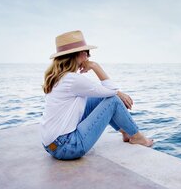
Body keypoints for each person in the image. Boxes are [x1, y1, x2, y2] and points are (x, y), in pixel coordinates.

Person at [40, 30, 154, 160]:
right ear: (80, 54)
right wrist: (95, 66)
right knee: (113, 100)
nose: (88, 57)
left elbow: (102, 92)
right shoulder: (72, 79)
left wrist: (116, 92)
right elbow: (112, 90)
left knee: (98, 99)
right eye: (87, 53)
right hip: (67, 147)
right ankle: (138, 137)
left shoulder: (59, 77)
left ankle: (125, 132)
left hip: (51, 145)